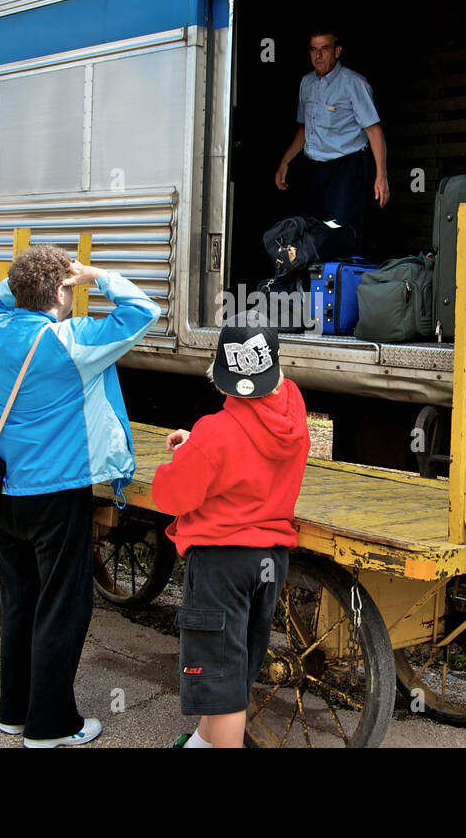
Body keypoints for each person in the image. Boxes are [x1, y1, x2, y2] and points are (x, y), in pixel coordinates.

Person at [0, 244, 160, 748]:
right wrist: (96, 274)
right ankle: (52, 727)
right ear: (61, 292)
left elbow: (3, 294)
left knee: (20, 601)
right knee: (62, 606)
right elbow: (144, 311)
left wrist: (35, 276)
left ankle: (14, 714)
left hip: (3, 491)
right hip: (54, 493)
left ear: (18, 291)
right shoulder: (71, 341)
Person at [150, 313, 310, 748]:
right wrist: (197, 445)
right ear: (276, 372)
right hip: (269, 562)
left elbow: (172, 497)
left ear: (220, 377)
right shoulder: (294, 412)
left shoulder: (214, 433)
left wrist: (188, 454)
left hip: (222, 563)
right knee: (234, 668)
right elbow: (252, 436)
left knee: (218, 683)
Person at [274, 27, 390, 248]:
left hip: (346, 168)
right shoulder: (306, 84)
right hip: (314, 169)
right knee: (309, 231)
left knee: (341, 231)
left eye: (325, 49)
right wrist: (285, 162)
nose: (318, 56)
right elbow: (304, 129)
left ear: (337, 51)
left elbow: (374, 130)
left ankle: (341, 281)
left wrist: (381, 176)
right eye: (313, 50)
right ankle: (312, 283)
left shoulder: (353, 83)